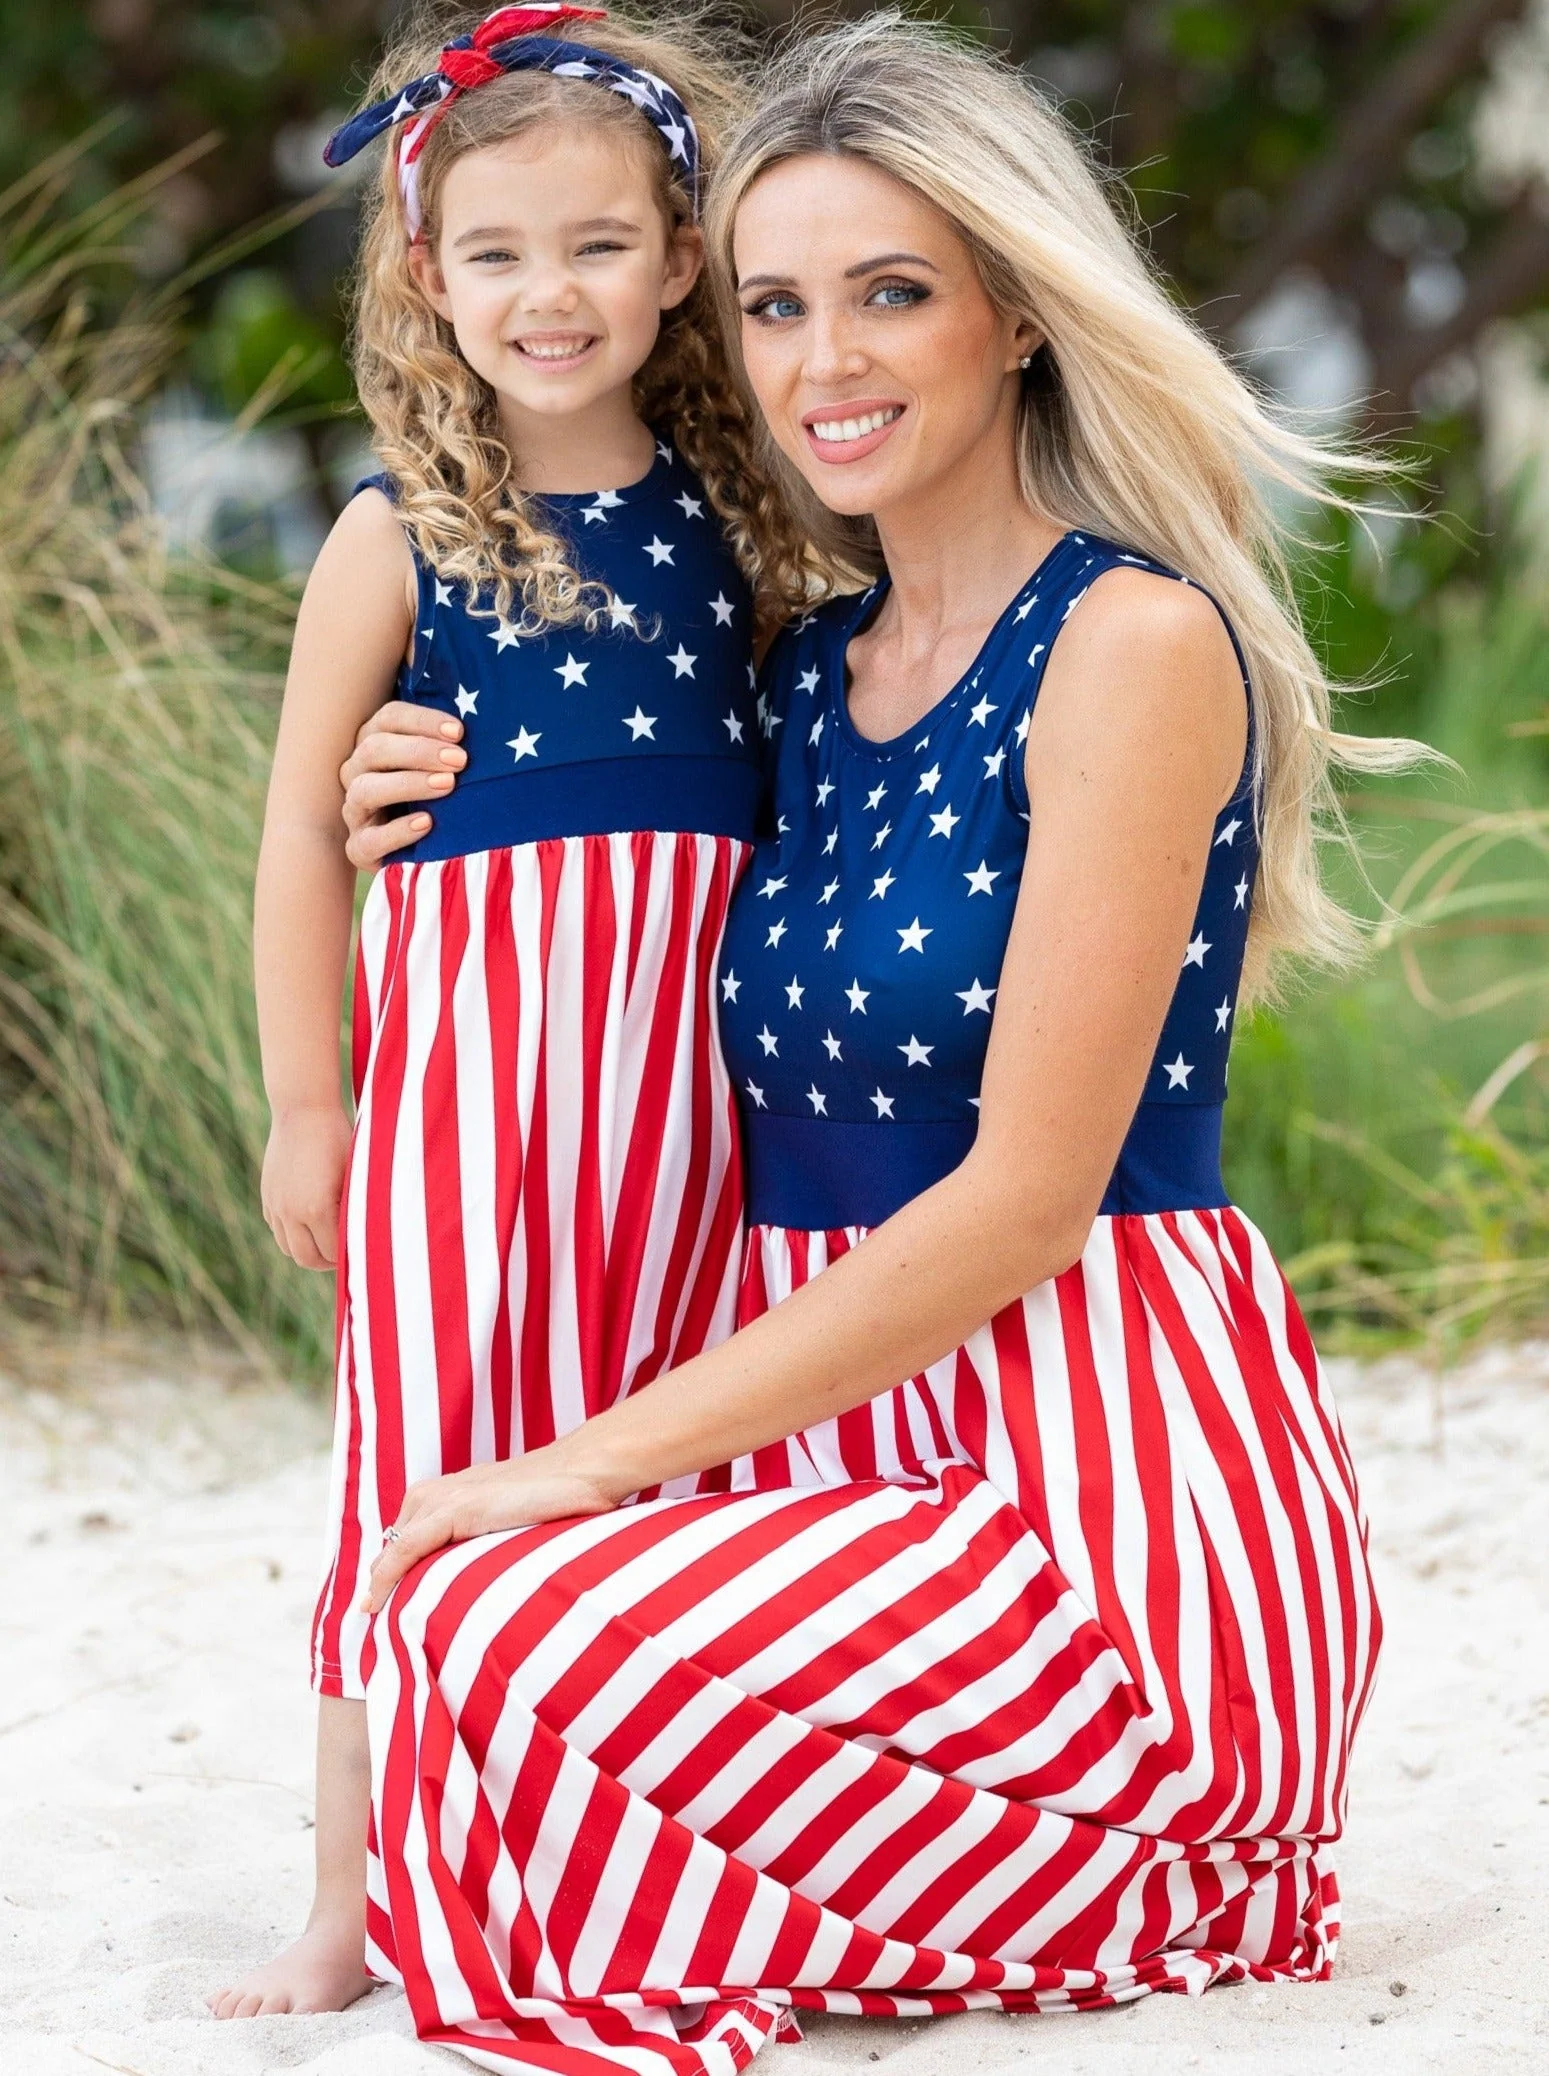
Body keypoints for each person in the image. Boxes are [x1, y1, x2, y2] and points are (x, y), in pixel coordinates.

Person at [340, 15, 1410, 2072]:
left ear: (1014, 313)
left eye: (891, 292)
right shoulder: (806, 672)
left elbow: (1021, 1209)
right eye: (772, 305)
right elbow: (589, 792)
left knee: (486, 1617)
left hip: (1097, 1521)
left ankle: (1119, 1860)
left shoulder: (1132, 644)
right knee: (438, 1643)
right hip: (848, 1493)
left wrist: (574, 1468)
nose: (824, 360)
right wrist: (402, 778)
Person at [207, 2, 822, 2021]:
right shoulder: (402, 533)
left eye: (592, 247)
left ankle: (611, 1847)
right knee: (419, 1462)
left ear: (675, 260)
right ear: (426, 274)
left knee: (668, 1454)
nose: (545, 294)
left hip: (689, 1100)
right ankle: (346, 1898)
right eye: (495, 254)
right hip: (469, 1100)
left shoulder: (756, 532)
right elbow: (303, 832)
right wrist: (314, 1105)